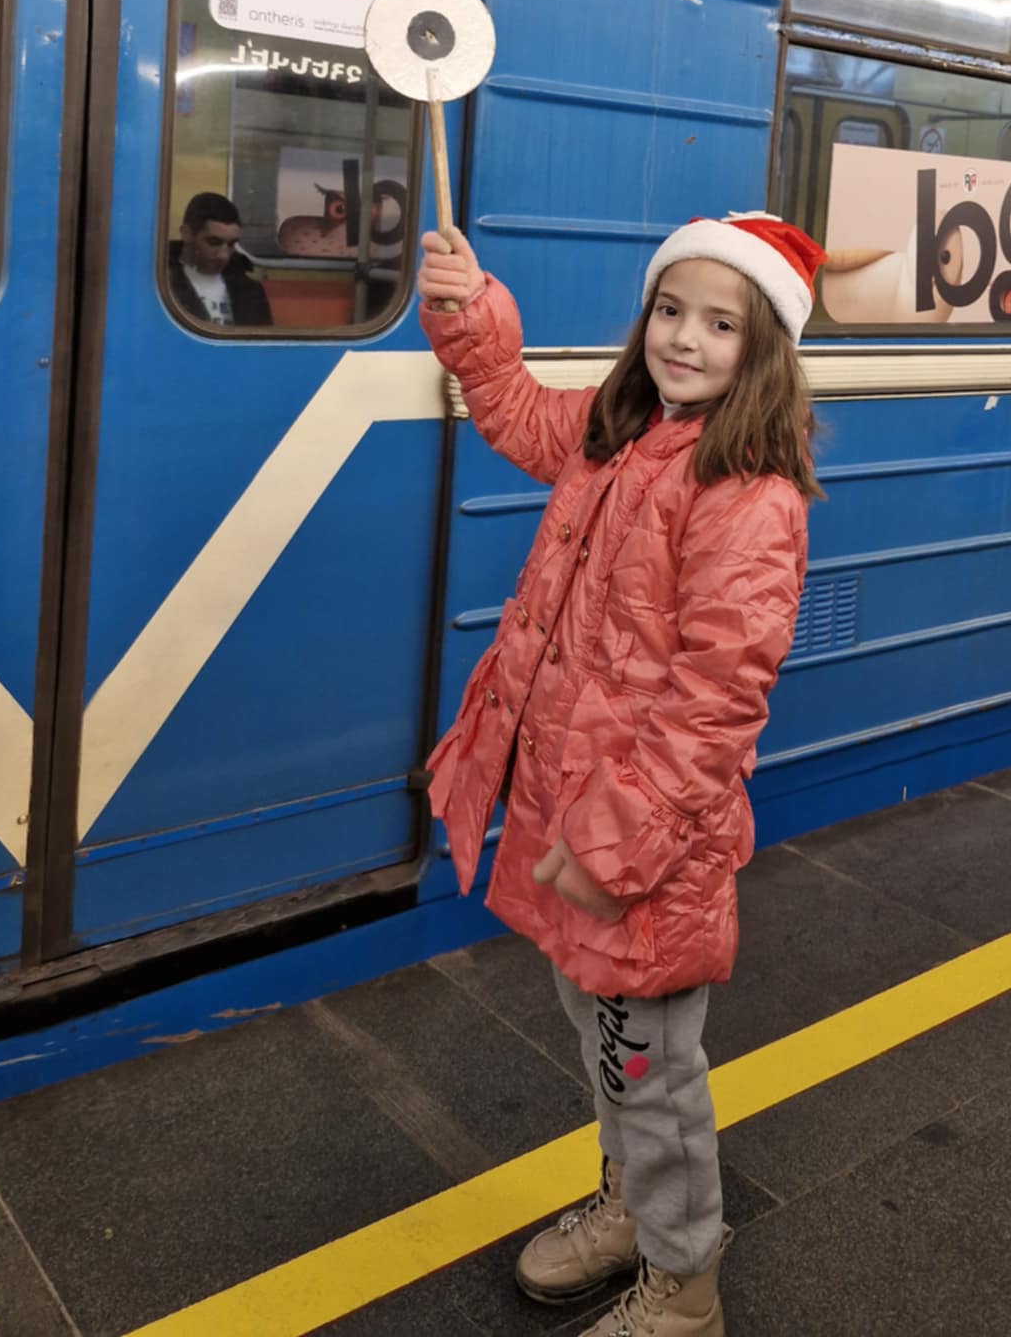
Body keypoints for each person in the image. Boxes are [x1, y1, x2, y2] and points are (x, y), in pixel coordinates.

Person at [417, 210, 825, 1337]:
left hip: (638, 849)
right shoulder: (618, 433)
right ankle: (627, 1211)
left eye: (720, 320)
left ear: (765, 347)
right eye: (668, 307)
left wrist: (613, 844)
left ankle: (683, 1280)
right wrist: (466, 307)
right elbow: (506, 404)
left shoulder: (748, 493)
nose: (683, 337)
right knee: (613, 1053)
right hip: (576, 823)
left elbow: (717, 702)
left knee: (651, 1074)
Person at [167, 193, 272, 327]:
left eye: (231, 244)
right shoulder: (162, 283)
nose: (223, 255)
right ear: (187, 234)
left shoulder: (250, 291)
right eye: (213, 242)